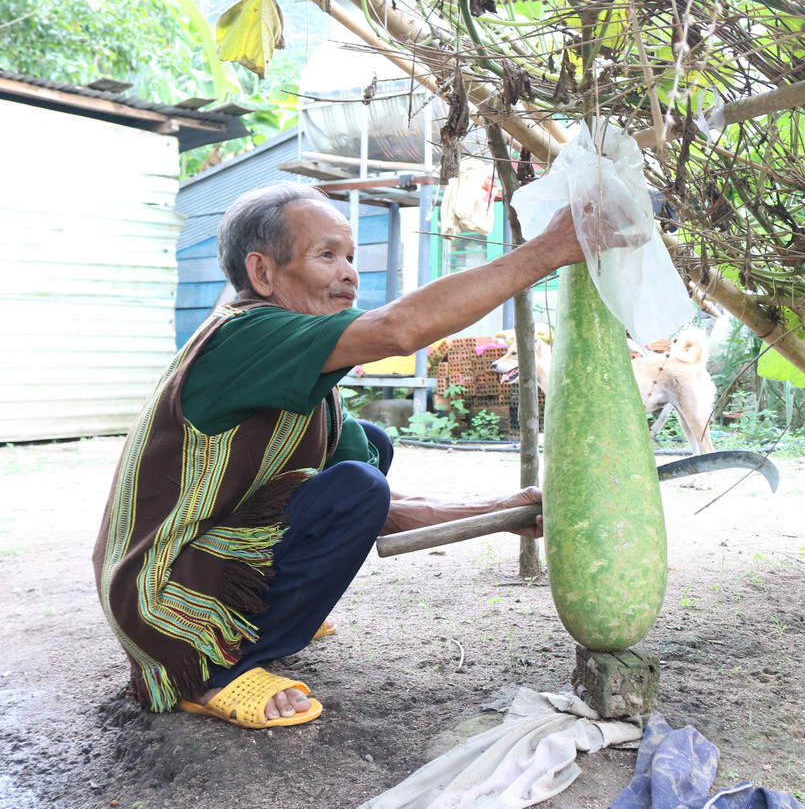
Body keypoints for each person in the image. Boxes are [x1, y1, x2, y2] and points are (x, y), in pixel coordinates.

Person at [93, 181, 586, 729]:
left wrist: (504, 510)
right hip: (158, 603)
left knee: (368, 452)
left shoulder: (306, 377)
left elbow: (383, 511)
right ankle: (212, 671)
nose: (349, 272)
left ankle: (255, 619)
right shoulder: (244, 336)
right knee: (356, 482)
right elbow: (399, 330)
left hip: (203, 564)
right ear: (263, 274)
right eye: (326, 255)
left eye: (350, 256)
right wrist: (552, 248)